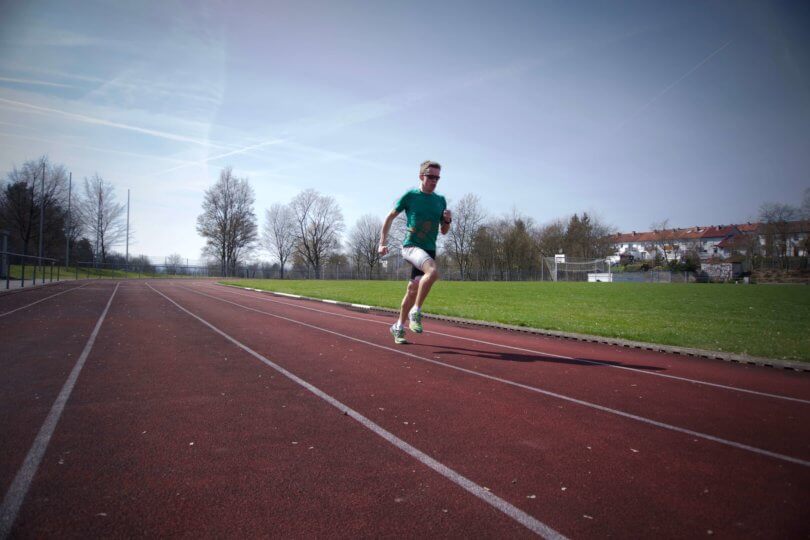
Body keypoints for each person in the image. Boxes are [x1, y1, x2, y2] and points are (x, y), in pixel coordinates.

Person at [378, 160, 452, 344]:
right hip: (410, 247)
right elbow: (390, 217)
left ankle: (398, 327)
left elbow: (443, 231)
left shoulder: (440, 201)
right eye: (430, 177)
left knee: (412, 290)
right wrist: (382, 243)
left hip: (428, 250)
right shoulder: (411, 196)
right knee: (433, 272)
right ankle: (415, 312)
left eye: (437, 178)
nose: (434, 181)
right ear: (421, 176)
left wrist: (448, 221)